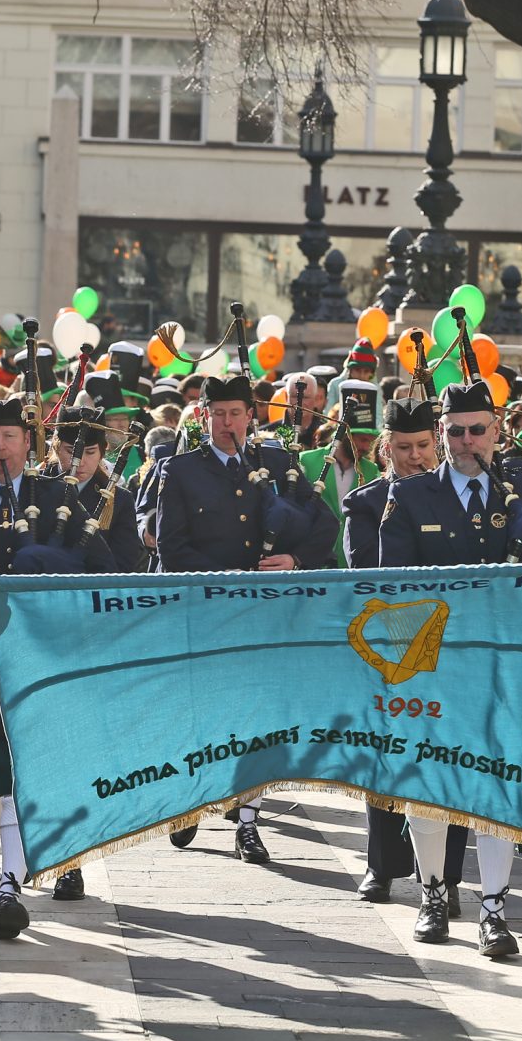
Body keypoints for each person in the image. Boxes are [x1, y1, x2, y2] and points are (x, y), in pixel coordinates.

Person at [379, 380, 522, 958]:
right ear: (441, 433)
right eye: (455, 431)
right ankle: (433, 895)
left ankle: (494, 908)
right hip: (436, 665)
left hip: (507, 663)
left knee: (497, 786)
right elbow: (393, 592)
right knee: (430, 784)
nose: (466, 441)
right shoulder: (412, 498)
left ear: (497, 430)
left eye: (477, 430)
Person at [0, 390, 112, 930]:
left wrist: (54, 570)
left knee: (24, 773)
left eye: (9, 437)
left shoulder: (59, 496)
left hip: (39, 659)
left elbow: (101, 566)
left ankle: (9, 885)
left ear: (27, 441)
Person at [151, 369, 333, 861]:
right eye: (218, 413)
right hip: (206, 613)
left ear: (251, 415)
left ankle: (248, 822)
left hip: (265, 615)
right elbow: (172, 548)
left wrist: (295, 562)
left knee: (257, 720)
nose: (227, 422)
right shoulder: (181, 469)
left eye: (236, 413)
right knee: (202, 715)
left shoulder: (276, 462)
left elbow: (324, 528)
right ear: (204, 415)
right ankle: (190, 801)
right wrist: (228, 581)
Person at [343, 397, 466, 911]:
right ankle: (383, 865)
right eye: (403, 448)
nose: (416, 457)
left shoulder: (462, 497)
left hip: (455, 647)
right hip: (392, 650)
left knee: (453, 762)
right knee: (389, 759)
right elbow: (364, 580)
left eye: (423, 446)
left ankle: (447, 877)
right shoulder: (366, 504)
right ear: (384, 450)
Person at [298, 379, 381, 567]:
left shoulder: (371, 470)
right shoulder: (307, 461)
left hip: (351, 564)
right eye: (361, 439)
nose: (366, 447)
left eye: (370, 441)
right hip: (313, 561)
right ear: (344, 435)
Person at [53, 404, 144, 570]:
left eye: (90, 452)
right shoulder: (35, 486)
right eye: (71, 451)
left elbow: (122, 565)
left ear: (102, 453)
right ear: (56, 447)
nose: (79, 462)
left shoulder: (119, 500)